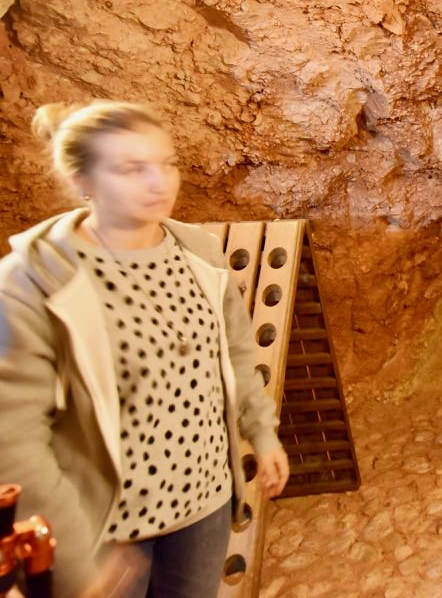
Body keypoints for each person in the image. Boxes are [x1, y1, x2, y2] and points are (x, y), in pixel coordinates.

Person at [0, 101, 290, 597]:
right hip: (105, 532)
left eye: (167, 163)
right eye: (132, 169)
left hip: (204, 506)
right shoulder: (30, 283)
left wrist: (261, 433)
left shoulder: (199, 254)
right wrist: (73, 556)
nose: (160, 182)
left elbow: (236, 352)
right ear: (81, 180)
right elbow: (12, 440)